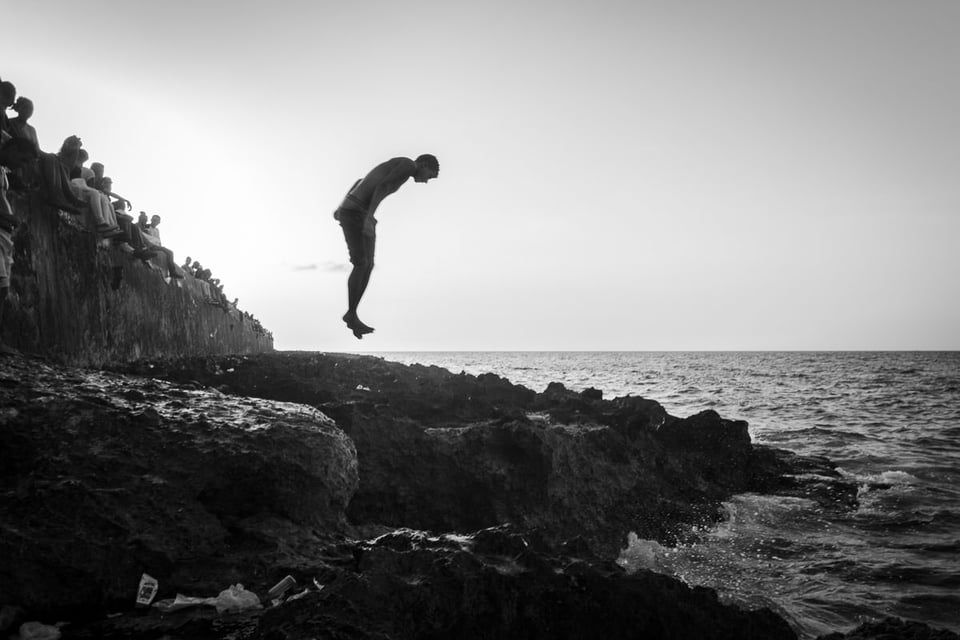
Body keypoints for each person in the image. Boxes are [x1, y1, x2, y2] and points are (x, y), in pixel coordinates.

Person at [334, 154, 439, 339]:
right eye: (429, 176)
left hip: (354, 211)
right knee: (361, 263)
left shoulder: (403, 167)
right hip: (355, 213)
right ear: (424, 164)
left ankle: (352, 314)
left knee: (368, 264)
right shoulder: (407, 165)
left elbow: (360, 181)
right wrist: (368, 217)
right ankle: (351, 314)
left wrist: (342, 204)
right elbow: (381, 186)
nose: (426, 181)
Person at [1, 138, 39, 349]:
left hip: (5, 233)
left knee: (3, 289)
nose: (22, 165)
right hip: (2, 230)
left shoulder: (4, 172)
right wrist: (9, 218)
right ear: (12, 148)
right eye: (22, 159)